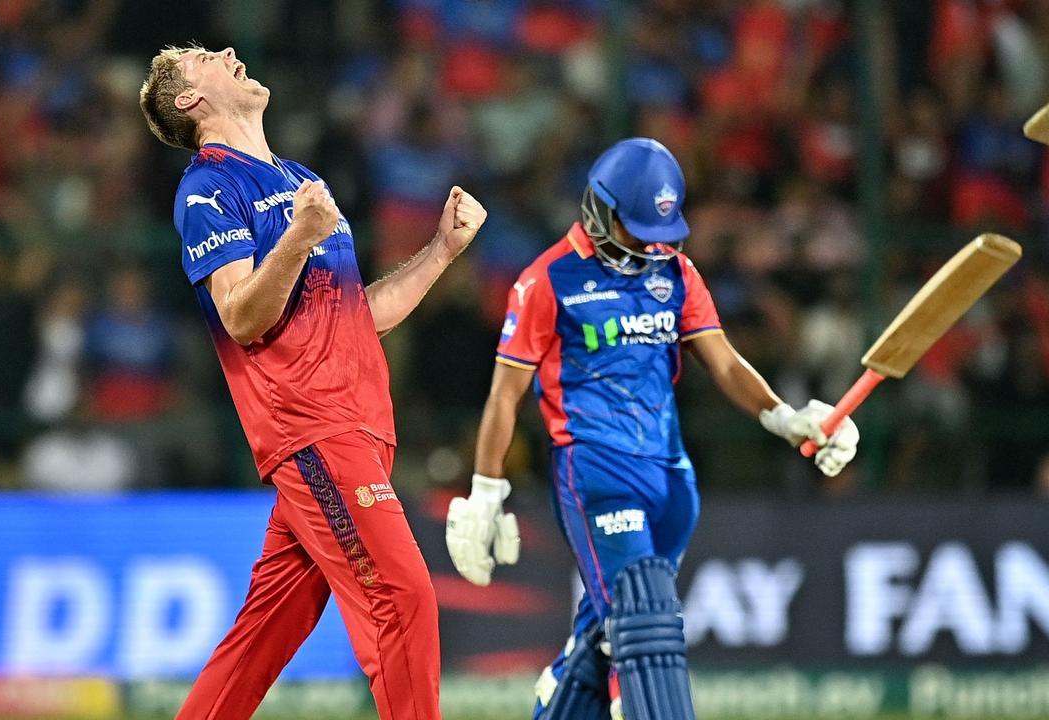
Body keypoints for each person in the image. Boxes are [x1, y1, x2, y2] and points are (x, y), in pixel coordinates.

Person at [445, 138, 859, 720]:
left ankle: (560, 695)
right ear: (600, 208)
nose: (648, 242)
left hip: (670, 475)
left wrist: (788, 418)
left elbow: (724, 362)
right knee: (641, 626)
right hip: (594, 471)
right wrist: (486, 492)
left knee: (610, 628)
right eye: (637, 227)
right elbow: (505, 394)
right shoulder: (547, 280)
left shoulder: (676, 271)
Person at [139, 44, 486, 720]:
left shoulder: (299, 178)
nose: (231, 52)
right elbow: (240, 316)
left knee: (263, 637)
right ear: (189, 100)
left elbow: (361, 317)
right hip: (314, 432)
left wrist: (441, 250)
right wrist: (297, 238)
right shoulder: (209, 188)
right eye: (209, 56)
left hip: (359, 425)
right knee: (402, 594)